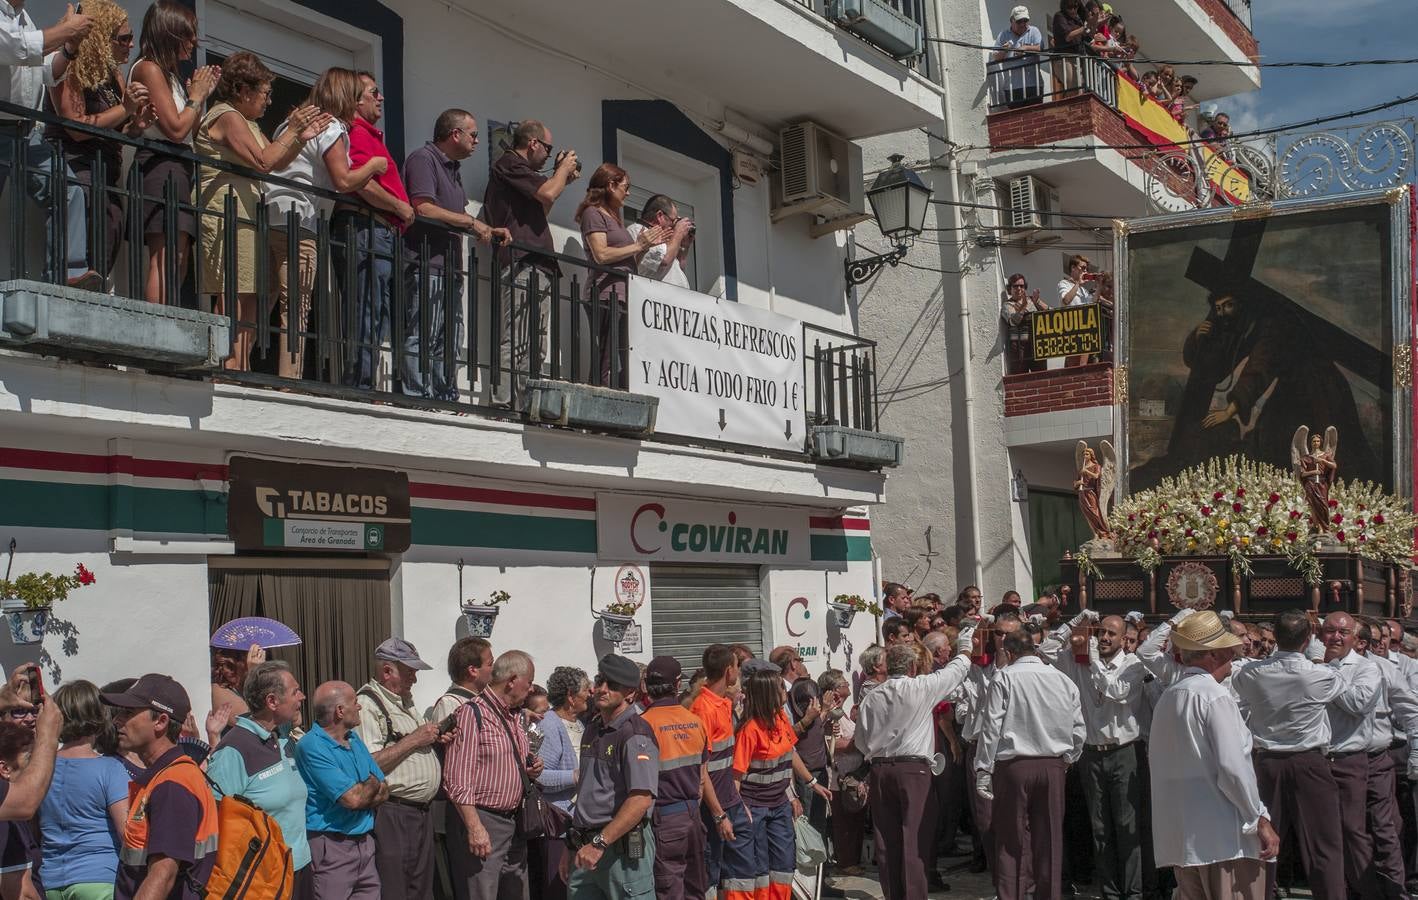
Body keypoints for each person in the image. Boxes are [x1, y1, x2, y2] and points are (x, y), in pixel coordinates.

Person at [194, 51, 328, 372]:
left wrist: (298, 138)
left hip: (248, 216)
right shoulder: (227, 115)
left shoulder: (248, 123)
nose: (269, 102)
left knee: (250, 297)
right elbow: (264, 161)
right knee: (235, 293)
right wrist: (292, 131)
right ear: (244, 90)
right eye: (266, 93)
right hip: (229, 213)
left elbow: (274, 160)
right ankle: (230, 367)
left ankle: (240, 368)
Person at [264, 66, 386, 381]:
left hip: (269, 214)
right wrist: (373, 165)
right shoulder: (331, 127)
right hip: (300, 220)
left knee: (261, 301)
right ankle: (290, 383)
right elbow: (344, 180)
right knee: (297, 307)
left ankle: (236, 367)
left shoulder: (290, 124)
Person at [1149, 611, 1279, 899]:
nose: (1235, 653)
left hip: (1185, 838)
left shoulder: (1170, 697)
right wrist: (1258, 818)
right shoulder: (1214, 697)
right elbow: (1233, 768)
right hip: (1223, 839)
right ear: (1213, 654)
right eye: (1228, 649)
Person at [856, 627, 976, 900]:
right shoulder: (921, 686)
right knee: (916, 837)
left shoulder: (872, 696)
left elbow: (862, 741)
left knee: (886, 840)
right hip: (913, 770)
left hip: (880, 768)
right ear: (912, 666)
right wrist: (966, 646)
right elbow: (955, 671)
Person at [402, 108, 511, 401]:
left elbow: (458, 214)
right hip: (427, 263)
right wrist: (471, 222)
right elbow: (423, 207)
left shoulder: (452, 169)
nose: (476, 141)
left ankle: (444, 396)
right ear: (455, 134)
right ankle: (418, 397)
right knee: (423, 332)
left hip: (449, 267)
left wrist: (485, 228)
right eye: (473, 135)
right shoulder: (423, 159)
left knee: (449, 338)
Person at [44, 0, 153, 277]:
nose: (131, 45)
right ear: (101, 39)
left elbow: (116, 127)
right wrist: (125, 108)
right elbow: (76, 128)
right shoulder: (70, 66)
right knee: (91, 219)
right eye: (124, 38)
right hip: (77, 165)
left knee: (112, 227)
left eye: (132, 38)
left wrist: (136, 125)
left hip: (106, 170)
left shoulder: (113, 73)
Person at [1043, 610, 1146, 900]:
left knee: (1127, 826)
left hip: (1124, 751)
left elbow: (1116, 692)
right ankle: (1110, 892)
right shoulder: (1079, 664)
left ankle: (1133, 892)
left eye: (1111, 633)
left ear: (1124, 638)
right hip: (1091, 753)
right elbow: (1046, 649)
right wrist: (1074, 623)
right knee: (1100, 827)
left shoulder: (1133, 664)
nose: (1103, 638)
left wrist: (1093, 663)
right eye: (1100, 632)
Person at [974, 631, 1085, 900]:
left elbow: (991, 727)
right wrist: (1069, 758)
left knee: (1011, 840)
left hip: (1015, 766)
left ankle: (1011, 895)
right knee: (1049, 839)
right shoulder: (1062, 679)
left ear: (1009, 654)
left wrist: (983, 768)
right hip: (1053, 764)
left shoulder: (1004, 677)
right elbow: (1078, 727)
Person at [0, 0, 102, 290]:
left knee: (66, 189)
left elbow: (46, 71)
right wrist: (66, 29)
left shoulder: (25, 20)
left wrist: (69, 47)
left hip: (25, 132)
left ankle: (67, 273)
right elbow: (15, 48)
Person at [481, 119, 580, 405]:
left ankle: (525, 403)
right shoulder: (509, 163)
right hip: (522, 262)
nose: (550, 155)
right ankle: (503, 403)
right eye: (548, 148)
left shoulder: (522, 174)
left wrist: (562, 178)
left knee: (535, 342)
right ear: (533, 143)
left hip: (538, 262)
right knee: (516, 337)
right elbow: (547, 192)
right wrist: (561, 171)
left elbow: (544, 204)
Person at [129, 0, 220, 305]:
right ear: (170, 33)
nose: (193, 43)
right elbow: (176, 129)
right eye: (188, 35)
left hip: (178, 166)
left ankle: (168, 317)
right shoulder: (149, 68)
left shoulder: (171, 77)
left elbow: (190, 133)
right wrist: (195, 96)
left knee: (178, 257)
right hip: (160, 165)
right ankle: (159, 324)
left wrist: (199, 96)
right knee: (166, 254)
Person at [101, 674, 219, 900]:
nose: (117, 721)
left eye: (128, 713)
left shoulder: (172, 785)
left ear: (161, 721)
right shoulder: (165, 776)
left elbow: (163, 874)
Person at [332, 70, 414, 391]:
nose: (381, 98)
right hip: (365, 228)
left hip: (378, 231)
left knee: (376, 312)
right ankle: (361, 386)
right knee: (365, 309)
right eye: (374, 92)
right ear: (355, 100)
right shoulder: (355, 132)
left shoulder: (368, 134)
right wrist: (399, 207)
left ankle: (369, 383)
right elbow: (360, 182)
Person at [207, 661, 312, 895]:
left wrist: (255, 668)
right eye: (295, 691)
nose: (302, 697)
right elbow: (215, 816)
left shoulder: (282, 736)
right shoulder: (234, 749)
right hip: (263, 878)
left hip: (300, 867)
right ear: (272, 701)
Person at [442, 650, 539, 900]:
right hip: (485, 821)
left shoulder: (514, 716)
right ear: (512, 680)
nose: (530, 690)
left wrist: (526, 771)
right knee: (481, 893)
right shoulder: (472, 713)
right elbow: (456, 778)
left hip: (515, 822)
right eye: (528, 683)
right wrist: (475, 827)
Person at [356, 639, 447, 900]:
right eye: (410, 672)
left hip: (418, 813)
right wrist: (416, 739)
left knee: (420, 890)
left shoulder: (403, 701)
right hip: (393, 812)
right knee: (396, 888)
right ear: (387, 671)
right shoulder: (368, 704)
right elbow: (370, 764)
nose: (415, 680)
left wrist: (434, 740)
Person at [561, 654, 658, 899]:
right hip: (587, 847)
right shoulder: (593, 729)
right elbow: (587, 791)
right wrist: (571, 845)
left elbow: (641, 799)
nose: (602, 689)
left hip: (619, 849)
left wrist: (600, 843)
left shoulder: (635, 734)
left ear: (630, 694)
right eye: (600, 680)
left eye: (612, 685)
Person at [732, 663, 831, 900]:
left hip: (778, 806)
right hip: (753, 809)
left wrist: (811, 783)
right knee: (759, 869)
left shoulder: (780, 719)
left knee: (783, 867)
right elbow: (736, 776)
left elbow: (790, 753)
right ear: (768, 694)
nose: (785, 693)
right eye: (780, 689)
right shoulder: (749, 730)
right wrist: (739, 809)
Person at [575, 163, 668, 388]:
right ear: (610, 185)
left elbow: (626, 261)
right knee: (606, 355)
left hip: (623, 294)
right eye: (626, 187)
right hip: (606, 293)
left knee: (624, 355)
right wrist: (638, 245)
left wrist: (643, 248)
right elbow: (601, 254)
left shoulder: (613, 217)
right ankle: (599, 403)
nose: (628, 193)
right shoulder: (593, 213)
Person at [295, 681, 388, 900]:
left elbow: (385, 790)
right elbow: (352, 799)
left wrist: (368, 789)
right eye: (355, 702)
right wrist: (370, 784)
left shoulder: (354, 740)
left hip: (364, 844)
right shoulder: (311, 746)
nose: (360, 707)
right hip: (332, 847)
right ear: (339, 711)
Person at [40, 680, 129, 900]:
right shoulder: (110, 769)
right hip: (99, 878)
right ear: (99, 717)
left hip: (50, 881)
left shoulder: (40, 768)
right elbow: (127, 831)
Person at [639, 657, 711, 900]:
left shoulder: (642, 725)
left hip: (663, 819)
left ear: (645, 686)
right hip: (692, 815)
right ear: (678, 683)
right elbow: (702, 778)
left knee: (669, 891)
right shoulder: (695, 721)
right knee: (695, 887)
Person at [689, 644, 754, 899]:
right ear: (729, 671)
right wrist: (718, 815)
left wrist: (737, 802)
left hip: (730, 803)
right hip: (712, 810)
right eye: (737, 667)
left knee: (740, 876)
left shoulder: (722, 703)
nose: (738, 672)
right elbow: (701, 771)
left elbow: (725, 763)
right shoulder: (702, 709)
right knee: (710, 875)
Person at [0, 722, 43, 899]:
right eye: (29, 760)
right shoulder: (7, 823)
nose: (36, 769)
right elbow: (21, 893)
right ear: (5, 769)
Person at [625, 194, 693, 289]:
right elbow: (664, 259)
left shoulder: (666, 238)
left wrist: (684, 247)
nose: (674, 226)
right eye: (674, 221)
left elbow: (677, 269)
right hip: (653, 298)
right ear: (660, 216)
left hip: (674, 299)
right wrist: (678, 233)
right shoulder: (638, 230)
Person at [991, 6, 1042, 108]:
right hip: (1012, 87)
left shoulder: (1034, 31)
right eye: (1019, 21)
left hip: (1033, 84)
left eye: (1025, 20)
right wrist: (1005, 50)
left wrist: (1025, 48)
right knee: (1017, 121)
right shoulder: (1003, 35)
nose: (1023, 24)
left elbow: (1040, 48)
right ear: (1011, 21)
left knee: (1036, 117)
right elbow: (996, 57)